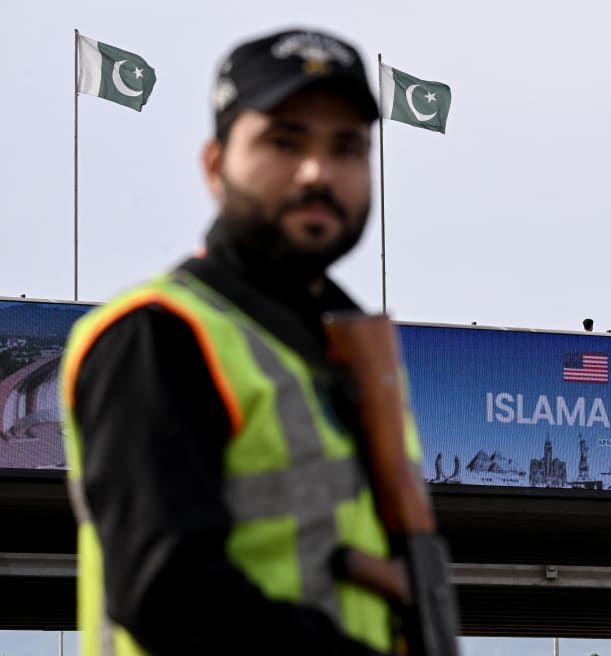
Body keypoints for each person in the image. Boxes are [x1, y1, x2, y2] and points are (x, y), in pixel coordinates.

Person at [60, 28, 419, 655]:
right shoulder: (158, 335)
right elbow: (169, 594)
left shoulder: (344, 354)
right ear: (213, 165)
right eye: (284, 141)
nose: (317, 172)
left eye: (347, 148)